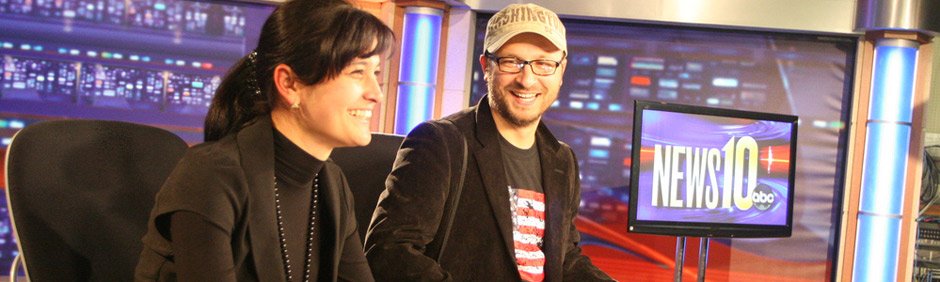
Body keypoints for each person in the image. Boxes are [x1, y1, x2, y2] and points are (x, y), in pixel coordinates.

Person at [134, 0, 394, 280]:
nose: (376, 94)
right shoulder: (211, 174)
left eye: (376, 73)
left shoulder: (331, 183)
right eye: (357, 72)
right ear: (289, 84)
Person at [364, 3, 614, 281]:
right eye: (511, 62)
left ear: (561, 70)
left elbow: (564, 257)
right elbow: (389, 251)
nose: (527, 80)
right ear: (486, 66)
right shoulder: (441, 142)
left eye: (543, 64)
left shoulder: (562, 159)